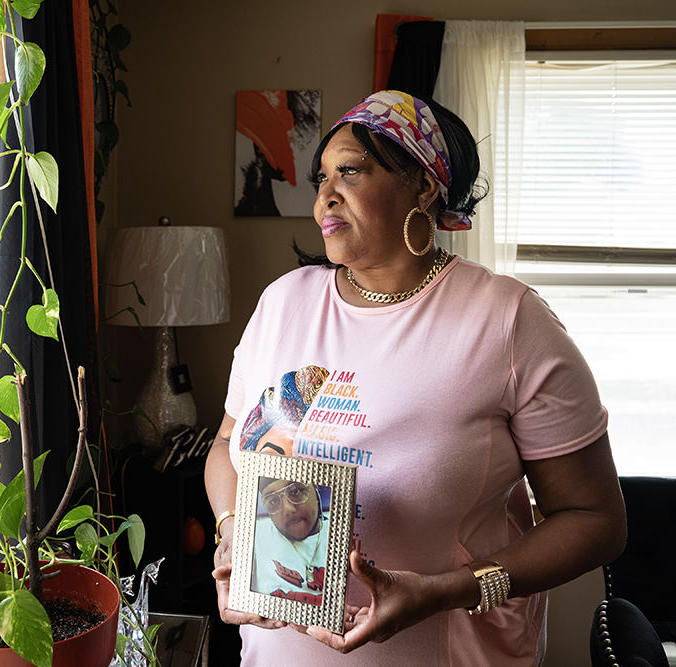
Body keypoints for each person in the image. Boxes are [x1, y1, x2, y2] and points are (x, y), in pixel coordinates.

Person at [205, 90, 627, 666]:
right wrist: (233, 533)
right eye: (321, 177)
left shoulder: (507, 319)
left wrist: (448, 590)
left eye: (350, 172)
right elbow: (229, 444)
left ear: (424, 185)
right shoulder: (282, 302)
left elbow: (595, 520)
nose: (325, 197)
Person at [251, 478, 331, 604]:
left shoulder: (340, 535)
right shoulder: (256, 536)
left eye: (296, 491)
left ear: (315, 488)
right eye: (273, 501)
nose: (288, 509)